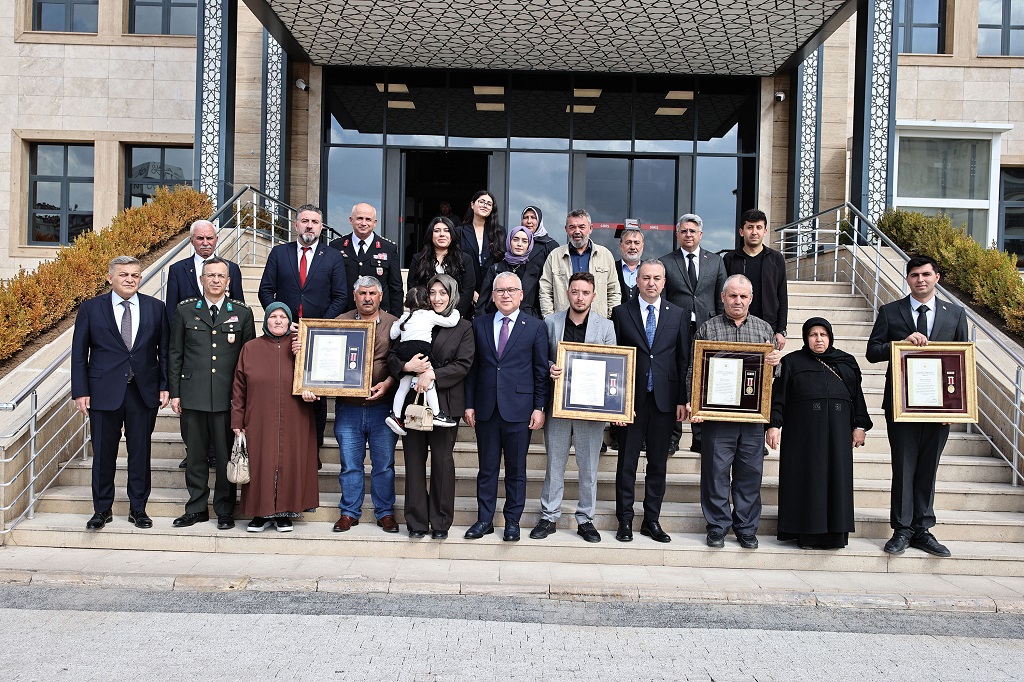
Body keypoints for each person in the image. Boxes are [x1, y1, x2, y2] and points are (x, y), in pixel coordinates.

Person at [866, 255, 968, 558]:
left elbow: (961, 362)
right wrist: (900, 344)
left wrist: (956, 408)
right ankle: (902, 529)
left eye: (926, 274)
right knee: (904, 466)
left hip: (940, 409)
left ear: (937, 277)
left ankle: (923, 529)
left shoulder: (956, 315)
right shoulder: (890, 311)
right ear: (907, 279)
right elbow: (873, 352)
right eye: (914, 275)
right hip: (901, 404)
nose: (920, 280)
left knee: (928, 468)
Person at [71, 256, 169, 530]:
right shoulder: (91, 309)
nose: (130, 279)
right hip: (102, 393)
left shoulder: (155, 308)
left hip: (143, 392)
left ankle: (138, 508)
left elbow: (165, 350)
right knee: (103, 455)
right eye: (124, 274)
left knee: (141, 453)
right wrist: (80, 391)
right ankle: (102, 510)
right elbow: (79, 353)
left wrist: (165, 385)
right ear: (110, 278)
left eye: (135, 275)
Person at [687, 274, 781, 550]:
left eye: (743, 296)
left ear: (750, 299)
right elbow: (695, 370)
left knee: (749, 474)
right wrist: (694, 401)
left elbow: (774, 378)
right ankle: (717, 526)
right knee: (715, 473)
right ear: (723, 297)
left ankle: (746, 528)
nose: (737, 300)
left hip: (752, 418)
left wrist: (776, 362)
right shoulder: (708, 329)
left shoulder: (764, 330)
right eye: (733, 295)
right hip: (717, 418)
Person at [766, 318, 872, 550]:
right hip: (802, 437)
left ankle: (835, 536)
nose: (818, 339)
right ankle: (805, 534)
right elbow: (779, 397)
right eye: (813, 334)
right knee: (806, 480)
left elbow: (858, 399)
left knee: (836, 481)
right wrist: (774, 425)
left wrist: (860, 426)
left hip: (838, 435)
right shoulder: (792, 362)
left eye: (823, 334)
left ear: (830, 337)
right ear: (806, 338)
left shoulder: (846, 362)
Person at [169, 257, 256, 530]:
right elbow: (175, 354)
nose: (216, 280)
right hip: (193, 395)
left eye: (221, 275)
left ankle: (225, 510)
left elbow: (249, 360)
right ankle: (196, 508)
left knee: (224, 455)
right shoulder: (185, 310)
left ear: (229, 281)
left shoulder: (242, 313)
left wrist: (246, 399)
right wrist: (175, 393)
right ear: (201, 280)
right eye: (210, 275)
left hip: (227, 399)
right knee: (195, 456)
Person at [530, 272, 615, 544]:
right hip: (558, 404)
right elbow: (540, 357)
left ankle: (585, 518)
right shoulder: (551, 322)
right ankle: (549, 515)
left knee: (588, 466)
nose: (580, 297)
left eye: (585, 292)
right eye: (575, 291)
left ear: (594, 295)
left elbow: (614, 364)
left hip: (591, 409)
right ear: (567, 293)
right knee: (555, 462)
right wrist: (549, 368)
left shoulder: (606, 327)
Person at [388, 274, 475, 539]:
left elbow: (464, 363)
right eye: (433, 292)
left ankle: (440, 523)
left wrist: (432, 374)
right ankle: (416, 522)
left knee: (442, 463)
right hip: (412, 404)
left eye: (443, 293)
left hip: (444, 404)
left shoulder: (463, 326)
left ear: (452, 296)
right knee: (414, 462)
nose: (437, 298)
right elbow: (392, 354)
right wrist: (406, 367)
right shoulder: (413, 319)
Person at [464, 271, 549, 542]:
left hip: (520, 410)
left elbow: (540, 371)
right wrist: (469, 405)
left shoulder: (535, 326)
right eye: (500, 290)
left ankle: (512, 521)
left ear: (521, 295)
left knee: (516, 470)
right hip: (486, 408)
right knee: (487, 468)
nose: (506, 295)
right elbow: (473, 369)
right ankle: (484, 520)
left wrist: (539, 407)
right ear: (493, 294)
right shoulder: (479, 324)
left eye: (511, 290)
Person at [610, 260, 689, 544]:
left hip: (665, 401)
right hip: (632, 400)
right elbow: (615, 361)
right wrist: (617, 402)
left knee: (657, 463)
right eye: (645, 278)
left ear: (664, 282)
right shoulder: (620, 313)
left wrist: (682, 399)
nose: (651, 283)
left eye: (657, 278)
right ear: (637, 281)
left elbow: (683, 361)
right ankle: (626, 520)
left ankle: (651, 520)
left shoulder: (679, 314)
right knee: (627, 462)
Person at [259, 203, 348, 452]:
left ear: (321, 227)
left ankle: (314, 448)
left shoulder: (332, 256)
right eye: (305, 221)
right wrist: (282, 319)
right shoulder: (279, 253)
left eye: (315, 222)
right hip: (284, 334)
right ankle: (284, 447)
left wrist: (316, 326)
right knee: (284, 388)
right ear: (296, 224)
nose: (309, 225)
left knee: (316, 394)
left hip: (319, 336)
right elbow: (265, 290)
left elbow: (340, 296)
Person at [230, 303, 320, 532]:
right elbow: (238, 388)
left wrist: (312, 391)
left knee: (290, 460)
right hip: (258, 416)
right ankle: (260, 513)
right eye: (273, 316)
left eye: (283, 316)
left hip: (295, 415)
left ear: (290, 322)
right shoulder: (250, 348)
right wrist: (237, 421)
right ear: (265, 321)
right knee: (262, 462)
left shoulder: (301, 346)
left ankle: (285, 513)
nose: (278, 320)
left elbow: (318, 377)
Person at [324, 276, 402, 534]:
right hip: (348, 407)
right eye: (362, 293)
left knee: (383, 464)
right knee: (350, 463)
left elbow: (402, 362)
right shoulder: (339, 323)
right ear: (354, 296)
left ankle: (385, 512)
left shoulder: (395, 324)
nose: (367, 298)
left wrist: (389, 383)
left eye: (372, 293)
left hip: (383, 406)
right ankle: (349, 512)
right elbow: (326, 358)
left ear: (380, 296)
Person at [165, 219, 245, 469]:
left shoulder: (232, 268)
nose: (205, 243)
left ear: (217, 239)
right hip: (193, 353)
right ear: (192, 241)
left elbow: (239, 310)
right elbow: (171, 312)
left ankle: (215, 453)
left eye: (209, 238)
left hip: (222, 354)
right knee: (194, 421)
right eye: (200, 238)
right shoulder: (179, 269)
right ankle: (194, 452)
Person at [661, 213, 727, 454]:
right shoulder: (666, 261)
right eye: (684, 231)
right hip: (676, 329)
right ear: (677, 234)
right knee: (678, 378)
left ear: (700, 234)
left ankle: (700, 437)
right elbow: (663, 299)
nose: (688, 235)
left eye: (692, 231)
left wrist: (722, 326)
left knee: (703, 379)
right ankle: (673, 436)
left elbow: (722, 297)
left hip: (707, 329)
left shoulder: (715, 261)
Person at [385, 286, 461, 434]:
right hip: (421, 350)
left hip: (404, 351)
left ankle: (395, 415)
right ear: (427, 300)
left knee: (403, 387)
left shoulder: (404, 317)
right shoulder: (429, 315)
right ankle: (437, 414)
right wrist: (456, 312)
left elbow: (393, 334)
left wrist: (398, 324)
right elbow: (450, 322)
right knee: (429, 381)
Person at [723, 209, 788, 350]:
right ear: (741, 231)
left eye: (759, 227)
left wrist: (781, 330)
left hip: (768, 327)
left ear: (765, 231)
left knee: (763, 369)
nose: (754, 232)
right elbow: (723, 295)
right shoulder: (730, 259)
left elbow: (782, 296)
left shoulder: (776, 259)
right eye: (749, 227)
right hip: (736, 326)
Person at [539, 209, 620, 319]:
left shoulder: (605, 255)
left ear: (590, 228)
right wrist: (550, 319)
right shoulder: (555, 256)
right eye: (572, 227)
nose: (577, 231)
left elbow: (613, 291)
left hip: (597, 323)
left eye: (582, 227)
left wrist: (608, 320)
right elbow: (545, 291)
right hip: (564, 324)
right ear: (566, 229)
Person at [329, 202, 403, 318]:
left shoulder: (388, 248)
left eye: (368, 219)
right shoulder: (336, 246)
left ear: (375, 223)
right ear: (351, 220)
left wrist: (396, 319)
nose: (363, 223)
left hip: (379, 316)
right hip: (344, 315)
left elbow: (395, 287)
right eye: (359, 218)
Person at [408, 216, 476, 319]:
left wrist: (450, 315)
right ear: (431, 235)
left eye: (447, 230)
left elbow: (467, 292)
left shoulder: (465, 259)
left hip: (456, 317)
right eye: (437, 231)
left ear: (452, 235)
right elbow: (413, 288)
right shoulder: (418, 259)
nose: (442, 234)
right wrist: (428, 314)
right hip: (425, 317)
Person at [476, 226, 543, 319]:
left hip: (526, 322)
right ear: (509, 242)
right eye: (515, 240)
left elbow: (539, 303)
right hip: (496, 320)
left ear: (529, 245)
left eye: (524, 241)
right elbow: (482, 302)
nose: (519, 244)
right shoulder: (495, 269)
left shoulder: (536, 271)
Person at [457, 190, 505, 304]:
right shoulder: (459, 231)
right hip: (465, 287)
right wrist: (471, 291)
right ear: (472, 204)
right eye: (481, 202)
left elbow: (501, 261)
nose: (485, 206)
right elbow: (456, 261)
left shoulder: (499, 232)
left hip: (491, 289)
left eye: (489, 204)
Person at [521, 205, 558, 270]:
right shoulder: (516, 242)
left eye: (533, 217)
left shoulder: (550, 245)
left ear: (540, 221)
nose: (529, 221)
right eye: (526, 217)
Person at [616, 227, 644, 306]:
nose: (632, 247)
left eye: (637, 243)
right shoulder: (612, 269)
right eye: (628, 242)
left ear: (642, 246)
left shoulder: (649, 270)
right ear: (621, 246)